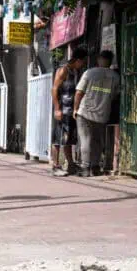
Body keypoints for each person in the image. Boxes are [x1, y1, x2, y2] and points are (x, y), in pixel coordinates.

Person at [74, 50, 119, 177]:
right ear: (110, 61)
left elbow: (79, 92)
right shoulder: (116, 77)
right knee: (98, 141)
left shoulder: (90, 72)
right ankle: (95, 167)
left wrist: (75, 109)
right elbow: (115, 95)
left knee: (85, 139)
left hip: (85, 112)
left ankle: (85, 168)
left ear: (99, 59)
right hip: (102, 114)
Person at [51, 47, 88, 176]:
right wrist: (57, 109)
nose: (83, 65)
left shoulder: (75, 71)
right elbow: (54, 89)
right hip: (63, 109)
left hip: (71, 110)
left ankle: (71, 165)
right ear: (78, 60)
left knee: (68, 139)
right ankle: (55, 166)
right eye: (83, 62)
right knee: (58, 138)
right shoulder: (63, 70)